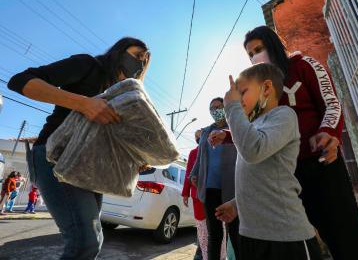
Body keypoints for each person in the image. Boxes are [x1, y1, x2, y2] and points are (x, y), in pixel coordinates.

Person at [8, 37, 150, 259]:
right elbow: (20, 80)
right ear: (119, 51)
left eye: (145, 61)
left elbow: (112, 138)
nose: (140, 64)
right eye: (138, 56)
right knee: (85, 242)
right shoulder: (88, 65)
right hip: (55, 157)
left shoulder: (125, 97)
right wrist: (83, 103)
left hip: (91, 169)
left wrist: (135, 157)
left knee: (95, 240)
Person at [241, 26, 358, 260]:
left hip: (322, 164)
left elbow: (331, 103)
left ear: (273, 45)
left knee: (346, 237)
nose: (254, 57)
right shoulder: (262, 89)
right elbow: (257, 130)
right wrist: (228, 135)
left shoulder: (304, 65)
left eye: (258, 49)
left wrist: (328, 132)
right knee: (300, 245)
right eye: (250, 54)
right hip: (286, 177)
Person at [215, 63, 322, 260]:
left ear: (266, 88)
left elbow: (253, 151)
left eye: (242, 92)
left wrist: (231, 106)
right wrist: (236, 204)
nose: (237, 98)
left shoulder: (284, 115)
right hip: (250, 237)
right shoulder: (251, 128)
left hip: (285, 239)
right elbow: (260, 177)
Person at [190, 97, 239, 260]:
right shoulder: (205, 131)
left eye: (218, 107)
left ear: (225, 108)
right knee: (214, 234)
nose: (215, 111)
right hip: (210, 188)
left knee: (235, 232)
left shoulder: (234, 129)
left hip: (231, 188)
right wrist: (194, 174)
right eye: (212, 108)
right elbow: (200, 157)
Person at [182, 130, 227, 260]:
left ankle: (216, 256)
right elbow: (189, 175)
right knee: (208, 230)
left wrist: (186, 193)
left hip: (213, 195)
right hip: (201, 197)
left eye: (200, 136)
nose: (198, 139)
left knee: (213, 230)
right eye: (197, 137)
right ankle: (215, 256)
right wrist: (185, 193)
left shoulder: (216, 150)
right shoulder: (195, 153)